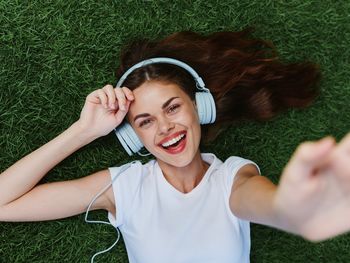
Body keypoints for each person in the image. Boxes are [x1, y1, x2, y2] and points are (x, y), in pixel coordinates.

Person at [1, 29, 350, 263]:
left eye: (172, 107)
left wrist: (294, 211)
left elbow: (273, 205)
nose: (165, 128)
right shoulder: (125, 187)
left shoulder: (233, 178)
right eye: (145, 121)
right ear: (131, 136)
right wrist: (82, 131)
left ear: (200, 107)